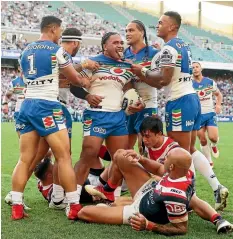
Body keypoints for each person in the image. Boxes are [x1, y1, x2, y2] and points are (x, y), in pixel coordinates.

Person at [130, 11, 228, 208]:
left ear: (172, 27)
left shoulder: (169, 48)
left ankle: (187, 197)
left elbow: (164, 80)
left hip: (179, 101)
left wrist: (142, 71)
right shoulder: (182, 44)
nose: (157, 26)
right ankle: (217, 187)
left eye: (161, 23)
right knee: (190, 149)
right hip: (191, 98)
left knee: (180, 153)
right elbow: (163, 79)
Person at [11, 16, 90, 220]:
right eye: (60, 30)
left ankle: (17, 206)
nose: (60, 34)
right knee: (63, 156)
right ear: (53, 29)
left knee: (25, 159)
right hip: (48, 105)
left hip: (27, 104)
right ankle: (73, 205)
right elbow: (73, 78)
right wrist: (86, 81)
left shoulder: (26, 50)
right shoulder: (58, 50)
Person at [73, 32, 134, 206]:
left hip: (118, 116)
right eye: (115, 42)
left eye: (121, 42)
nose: (120, 45)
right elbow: (74, 86)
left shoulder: (127, 67)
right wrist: (87, 96)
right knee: (88, 155)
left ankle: (110, 198)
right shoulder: (93, 62)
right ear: (104, 46)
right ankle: (73, 199)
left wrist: (136, 103)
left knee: (119, 159)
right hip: (96, 114)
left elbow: (130, 91)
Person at [124, 20, 159, 151]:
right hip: (130, 105)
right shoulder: (123, 54)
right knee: (126, 147)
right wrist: (134, 98)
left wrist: (141, 72)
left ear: (142, 33)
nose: (127, 33)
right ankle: (129, 171)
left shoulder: (154, 53)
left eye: (131, 30)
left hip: (148, 104)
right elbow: (124, 82)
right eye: (126, 31)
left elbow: (159, 82)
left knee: (145, 146)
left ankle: (150, 171)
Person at [192, 62, 223, 166]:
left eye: (197, 67)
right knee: (202, 139)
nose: (195, 69)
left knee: (213, 137)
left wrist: (218, 105)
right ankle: (209, 161)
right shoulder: (189, 84)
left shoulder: (209, 82)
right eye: (193, 68)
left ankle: (214, 145)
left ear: (201, 68)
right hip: (197, 115)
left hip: (210, 113)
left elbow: (219, 95)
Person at [2, 66, 25, 138]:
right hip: (19, 113)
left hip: (33, 112)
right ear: (19, 68)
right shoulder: (14, 82)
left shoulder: (34, 81)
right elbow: (7, 95)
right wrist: (5, 104)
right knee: (21, 137)